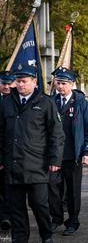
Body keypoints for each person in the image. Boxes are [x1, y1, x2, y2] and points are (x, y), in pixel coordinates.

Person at [0, 64, 65, 243]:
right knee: (16, 208)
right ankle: (20, 238)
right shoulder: (6, 102)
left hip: (37, 165)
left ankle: (46, 235)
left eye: (23, 81)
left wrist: (55, 159)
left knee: (39, 205)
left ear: (34, 82)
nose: (20, 85)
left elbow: (57, 134)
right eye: (17, 81)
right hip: (13, 165)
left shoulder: (45, 102)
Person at [48, 67, 88, 236]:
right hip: (54, 155)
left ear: (72, 84)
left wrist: (87, 151)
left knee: (73, 189)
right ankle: (56, 217)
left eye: (64, 83)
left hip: (74, 154)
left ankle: (73, 220)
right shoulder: (51, 101)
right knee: (53, 187)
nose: (60, 87)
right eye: (58, 83)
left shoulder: (80, 102)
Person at [0, 70, 16, 230]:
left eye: (9, 83)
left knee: (8, 189)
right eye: (3, 83)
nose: (6, 86)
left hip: (10, 153)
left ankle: (7, 217)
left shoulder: (16, 102)